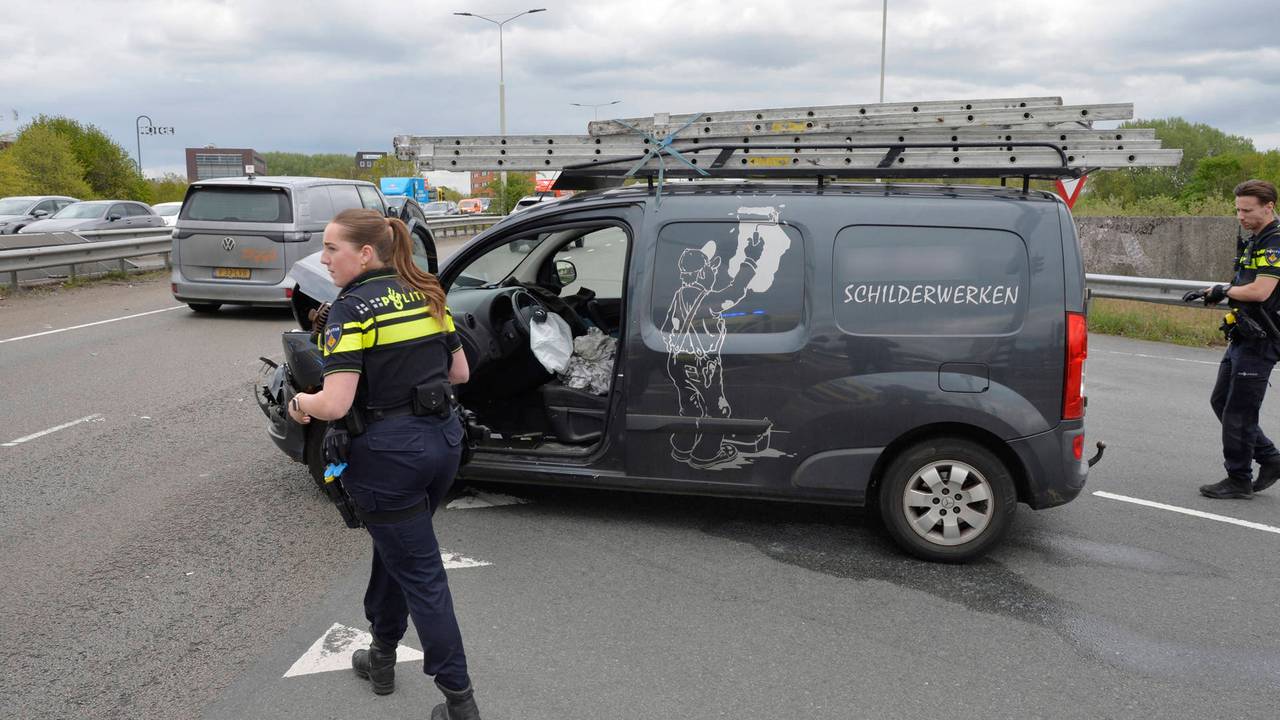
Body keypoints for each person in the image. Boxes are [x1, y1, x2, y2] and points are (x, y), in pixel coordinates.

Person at [287, 208, 481, 719]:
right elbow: (459, 371)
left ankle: (459, 701)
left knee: (421, 573)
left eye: (332, 249)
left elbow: (335, 404)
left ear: (365, 253)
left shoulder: (352, 309)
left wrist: (300, 404)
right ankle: (382, 654)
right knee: (397, 552)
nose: (324, 259)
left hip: (388, 458)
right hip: (443, 445)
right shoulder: (425, 292)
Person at [1182, 179, 1280, 499]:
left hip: (1262, 338)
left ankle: (1238, 478)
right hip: (1244, 333)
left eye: (1247, 210)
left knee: (1240, 411)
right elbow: (1243, 282)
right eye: (1238, 209)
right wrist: (1217, 290)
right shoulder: (1255, 238)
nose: (1240, 215)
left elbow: (1261, 290)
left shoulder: (1275, 242)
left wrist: (1225, 291)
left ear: (1269, 207)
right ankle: (1270, 458)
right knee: (1221, 401)